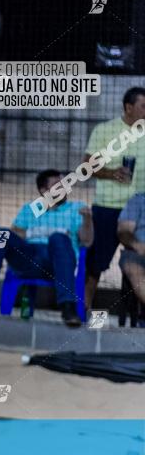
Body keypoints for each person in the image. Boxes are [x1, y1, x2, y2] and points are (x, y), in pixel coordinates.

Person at [0, 170, 93, 327]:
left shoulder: (76, 208)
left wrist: (87, 220)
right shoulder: (33, 208)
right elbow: (15, 232)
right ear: (44, 191)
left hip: (58, 262)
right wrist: (40, 232)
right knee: (0, 235)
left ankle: (68, 308)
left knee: (59, 238)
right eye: (58, 185)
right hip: (28, 258)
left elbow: (87, 241)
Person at [82, 87, 145, 309]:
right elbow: (86, 166)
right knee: (95, 264)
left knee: (138, 260)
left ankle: (135, 319)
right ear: (128, 107)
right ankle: (84, 313)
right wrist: (111, 172)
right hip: (108, 207)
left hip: (140, 211)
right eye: (143, 106)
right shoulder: (105, 130)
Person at [116, 193, 145, 307]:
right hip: (137, 252)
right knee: (133, 268)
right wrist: (137, 245)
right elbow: (123, 231)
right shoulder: (138, 200)